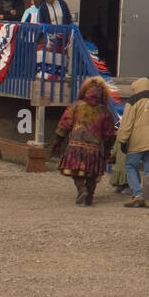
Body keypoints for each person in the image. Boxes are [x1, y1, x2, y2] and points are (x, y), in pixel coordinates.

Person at [52, 77, 116, 206]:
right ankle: (89, 197)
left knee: (75, 170)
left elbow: (65, 124)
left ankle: (81, 189)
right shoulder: (105, 111)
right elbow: (109, 134)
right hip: (95, 147)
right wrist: (108, 150)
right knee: (93, 173)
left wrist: (57, 142)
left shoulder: (76, 106)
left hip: (76, 144)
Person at [116, 77, 149, 208]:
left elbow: (127, 123)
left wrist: (122, 139)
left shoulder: (133, 101)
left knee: (130, 166)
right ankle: (148, 197)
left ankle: (137, 195)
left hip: (138, 140)